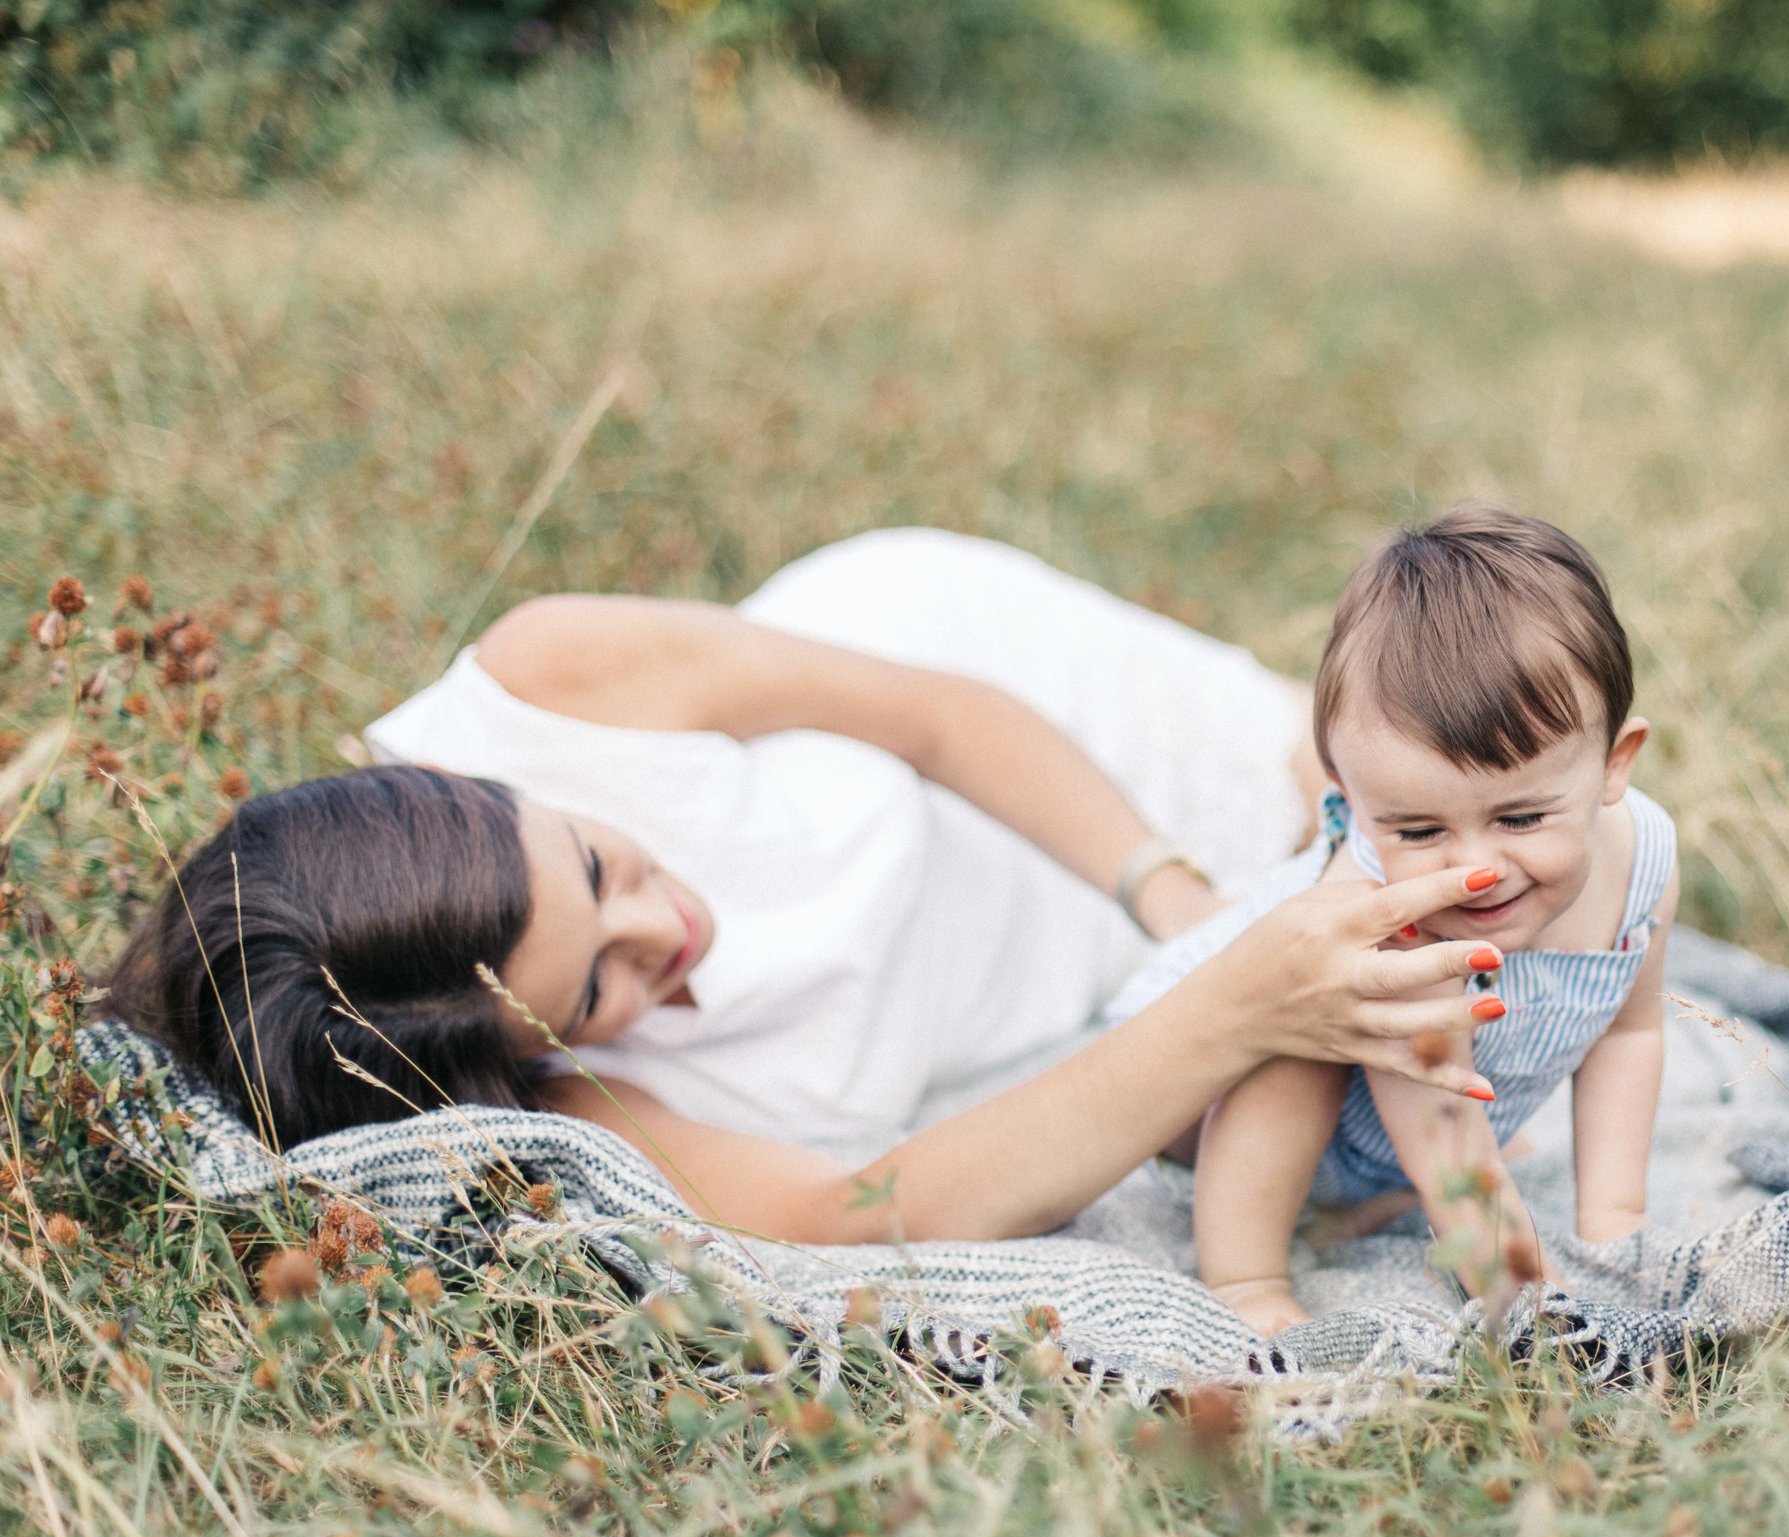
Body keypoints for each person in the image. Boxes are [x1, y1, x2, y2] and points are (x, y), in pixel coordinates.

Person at [107, 529, 1507, 1247]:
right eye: (598, 981)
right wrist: (1224, 1006)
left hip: (1054, 741)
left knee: (1472, 796)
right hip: (1057, 962)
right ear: (520, 1053)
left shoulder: (549, 682)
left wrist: (1180, 902)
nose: (670, 924)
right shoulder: (573, 1106)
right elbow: (861, 1210)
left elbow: (945, 720)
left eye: (600, 865)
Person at [1108, 506, 1675, 1335]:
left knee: (1413, 1093)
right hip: (1201, 1095)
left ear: (1613, 766)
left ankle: (1362, 1194)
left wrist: (1616, 1230)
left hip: (1367, 1141)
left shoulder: (1647, 863)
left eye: (1521, 819)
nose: (1472, 868)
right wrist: (1535, 1311)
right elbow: (1448, 1137)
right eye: (1417, 830)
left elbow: (1628, 1034)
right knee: (1302, 1034)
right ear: (1349, 798)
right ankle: (1247, 1273)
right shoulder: (1380, 918)